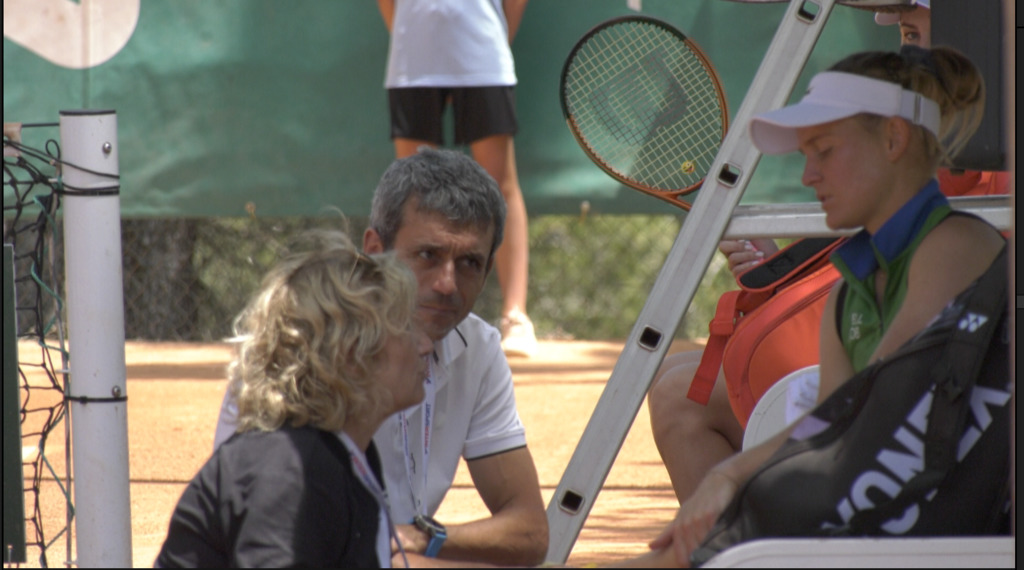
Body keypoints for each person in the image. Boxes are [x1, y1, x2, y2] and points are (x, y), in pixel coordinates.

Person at [638, 44, 1002, 567]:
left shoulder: (956, 246)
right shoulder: (850, 289)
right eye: (806, 155)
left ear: (894, 138)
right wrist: (726, 476)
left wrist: (745, 494)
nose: (809, 175)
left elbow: (873, 416)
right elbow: (830, 422)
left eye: (824, 150)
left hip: (951, 531)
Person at [212, 148, 547, 567]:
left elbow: (530, 532)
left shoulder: (476, 347)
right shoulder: (305, 347)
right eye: (428, 255)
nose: (447, 284)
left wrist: (421, 539)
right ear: (374, 249)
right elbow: (255, 527)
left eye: (469, 263)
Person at [157, 230, 433, 567]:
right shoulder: (289, 470)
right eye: (405, 327)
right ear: (353, 355)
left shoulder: (343, 455)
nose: (425, 345)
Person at [377, 0, 538, 358]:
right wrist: (410, 36)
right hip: (412, 61)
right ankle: (406, 312)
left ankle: (515, 316)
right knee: (409, 191)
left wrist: (492, 38)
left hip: (483, 59)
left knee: (500, 185)